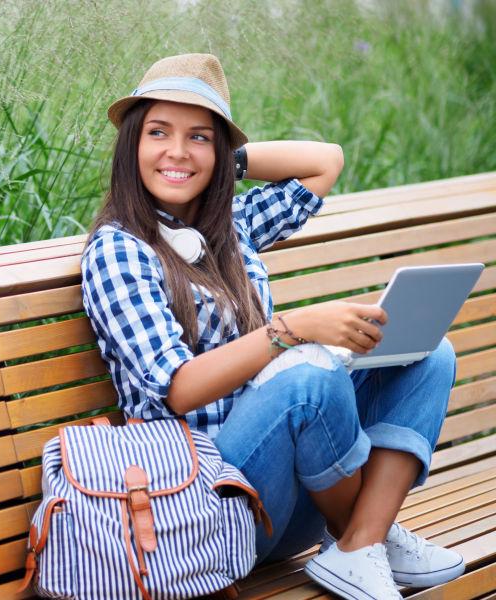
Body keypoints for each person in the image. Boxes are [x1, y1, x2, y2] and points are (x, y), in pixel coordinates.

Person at [80, 53, 464, 600]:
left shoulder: (229, 229)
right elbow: (178, 388)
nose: (176, 151)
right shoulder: (119, 252)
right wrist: (294, 330)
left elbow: (324, 163)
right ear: (131, 145)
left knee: (428, 353)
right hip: (211, 506)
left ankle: (362, 540)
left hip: (290, 496)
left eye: (198, 137)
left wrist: (213, 160)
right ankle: (361, 538)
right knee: (309, 378)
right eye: (158, 133)